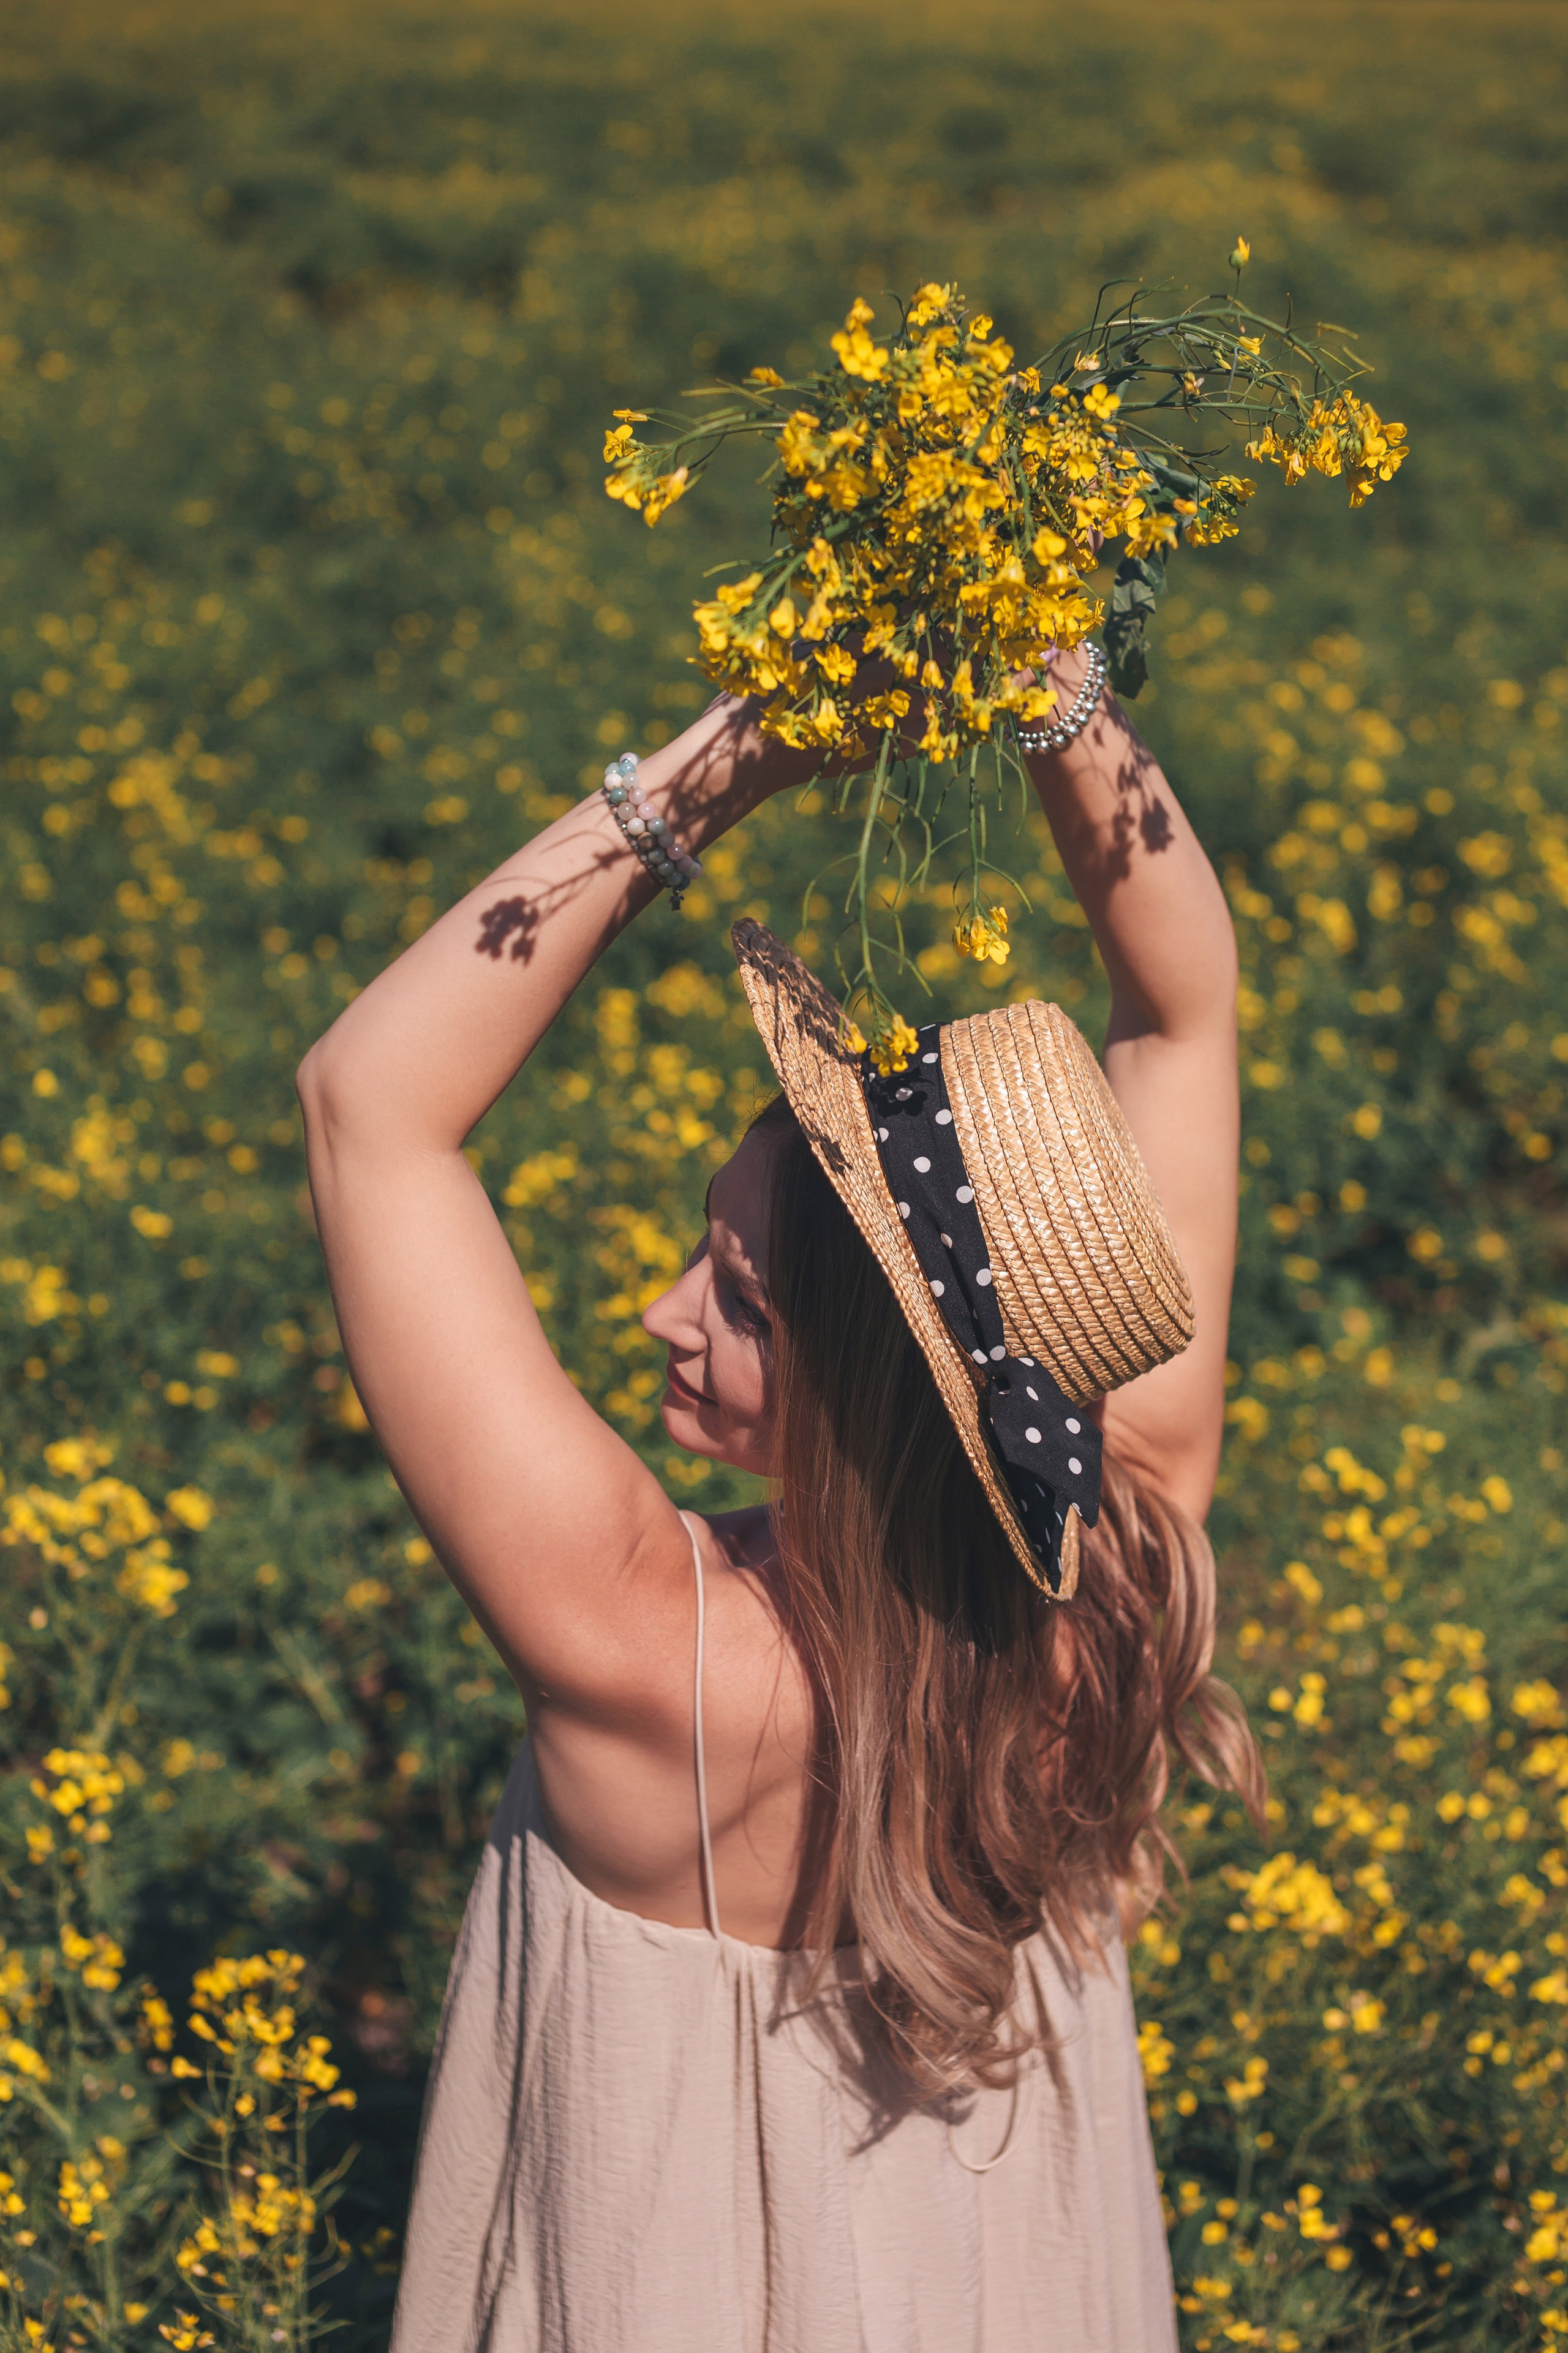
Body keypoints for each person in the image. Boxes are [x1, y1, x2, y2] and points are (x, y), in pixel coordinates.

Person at [298, 639, 1261, 2352]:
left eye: (738, 1300)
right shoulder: (1122, 1540)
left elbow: (368, 1105)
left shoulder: (643, 1649)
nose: (663, 1310)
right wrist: (1050, 685)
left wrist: (735, 754)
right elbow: (1184, 1009)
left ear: (870, 1395)